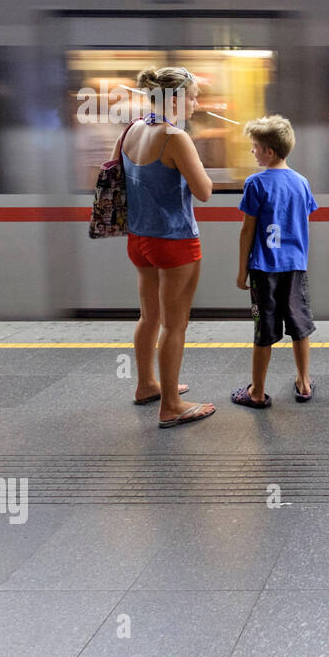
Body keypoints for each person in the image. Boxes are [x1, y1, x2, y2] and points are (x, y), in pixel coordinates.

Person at [117, 66, 216, 428]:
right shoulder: (176, 138)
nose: (196, 102)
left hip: (139, 238)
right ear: (174, 98)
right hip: (175, 241)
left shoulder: (133, 129)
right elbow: (203, 191)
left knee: (149, 316)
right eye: (192, 95)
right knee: (176, 325)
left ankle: (146, 385)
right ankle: (172, 404)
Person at [233, 115, 319, 408]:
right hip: (295, 266)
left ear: (269, 151)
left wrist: (241, 270)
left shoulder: (255, 183)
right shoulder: (302, 182)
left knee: (264, 331)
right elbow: (302, 218)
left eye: (255, 147)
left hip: (263, 268)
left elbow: (248, 230)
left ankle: (256, 391)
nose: (252, 152)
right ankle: (304, 383)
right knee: (299, 326)